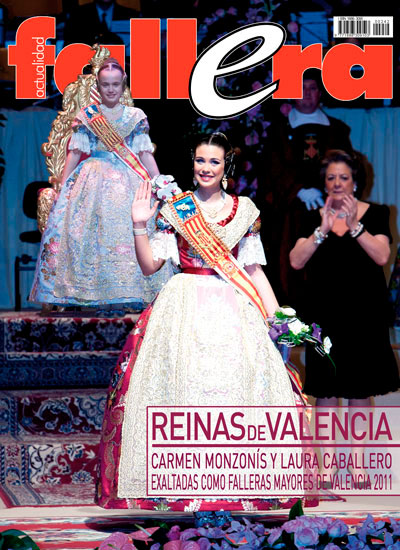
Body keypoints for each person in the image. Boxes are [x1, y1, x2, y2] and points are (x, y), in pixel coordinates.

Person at [96, 132, 307, 511]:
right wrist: (139, 224)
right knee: (182, 387)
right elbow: (150, 266)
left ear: (226, 167)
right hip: (183, 306)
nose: (206, 168)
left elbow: (254, 272)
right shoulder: (177, 209)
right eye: (200, 160)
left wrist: (279, 320)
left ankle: (235, 483)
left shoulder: (245, 210)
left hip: (234, 307)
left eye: (214, 161)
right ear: (192, 164)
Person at [29, 57, 172, 313]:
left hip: (129, 180)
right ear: (98, 85)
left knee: (131, 229)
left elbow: (144, 153)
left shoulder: (136, 116)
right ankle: (92, 293)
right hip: (93, 178)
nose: (111, 89)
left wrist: (159, 182)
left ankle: (129, 292)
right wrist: (64, 185)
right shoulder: (87, 115)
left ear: (123, 83)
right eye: (106, 84)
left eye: (115, 84)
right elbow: (75, 152)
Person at [289, 149, 400, 475]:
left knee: (359, 390)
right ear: (324, 183)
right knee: (325, 391)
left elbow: (382, 255)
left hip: (364, 315)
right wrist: (322, 230)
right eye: (331, 178)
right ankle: (326, 466)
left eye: (344, 177)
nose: (337, 183)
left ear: (355, 181)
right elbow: (296, 260)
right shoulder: (312, 216)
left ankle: (358, 464)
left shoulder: (377, 213)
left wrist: (355, 227)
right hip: (324, 315)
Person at [256, 70, 354, 307]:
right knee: (289, 268)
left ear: (320, 93)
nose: (307, 94)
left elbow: (348, 168)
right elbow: (270, 169)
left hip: (329, 210)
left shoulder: (338, 130)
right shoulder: (278, 131)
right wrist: (298, 190)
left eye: (312, 88)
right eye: (302, 89)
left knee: (329, 270)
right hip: (289, 214)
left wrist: (330, 192)